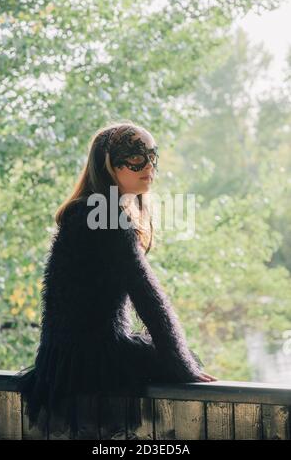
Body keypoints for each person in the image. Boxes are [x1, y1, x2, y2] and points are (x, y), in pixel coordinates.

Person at [14, 121, 217, 438]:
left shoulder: (86, 212)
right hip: (93, 358)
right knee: (181, 361)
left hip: (62, 360)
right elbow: (147, 297)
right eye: (136, 159)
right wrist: (183, 367)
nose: (149, 166)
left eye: (152, 156)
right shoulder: (105, 217)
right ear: (109, 164)